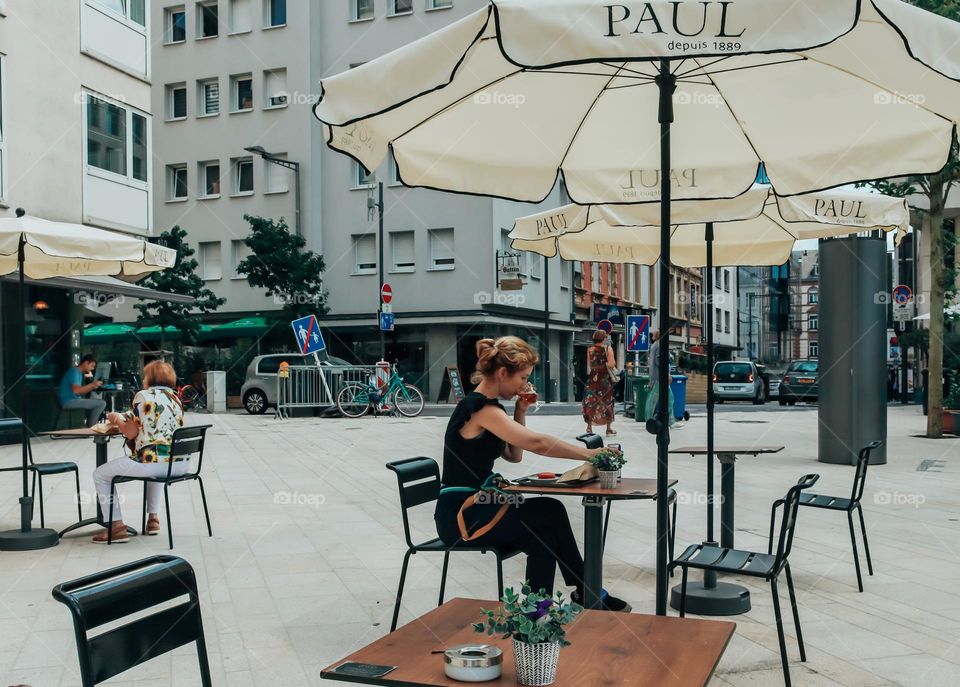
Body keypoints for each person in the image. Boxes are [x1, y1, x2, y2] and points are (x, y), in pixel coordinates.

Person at [435, 336, 631, 612]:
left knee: (543, 536)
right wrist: (590, 454)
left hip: (478, 508)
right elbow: (536, 443)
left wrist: (520, 410)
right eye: (522, 377)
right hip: (461, 516)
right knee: (549, 511)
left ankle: (537, 611)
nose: (524, 385)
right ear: (503, 373)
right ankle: (587, 591)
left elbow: (514, 456)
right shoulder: (479, 409)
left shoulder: (491, 409)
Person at [91, 360, 185, 544]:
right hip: (179, 463)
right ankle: (153, 519)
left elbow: (130, 432)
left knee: (100, 474)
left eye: (145, 375)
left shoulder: (142, 395)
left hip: (153, 463)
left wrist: (117, 419)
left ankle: (116, 527)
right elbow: (148, 420)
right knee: (157, 464)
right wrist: (125, 416)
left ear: (150, 378)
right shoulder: (176, 398)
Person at [582, 330, 618, 436]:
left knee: (590, 402)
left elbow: (590, 365)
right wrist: (605, 363)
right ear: (603, 338)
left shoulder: (590, 350)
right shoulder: (607, 348)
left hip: (593, 379)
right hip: (604, 380)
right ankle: (608, 428)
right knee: (607, 402)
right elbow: (612, 364)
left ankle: (589, 427)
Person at [58, 354, 106, 428]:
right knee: (101, 403)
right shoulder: (74, 372)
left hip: (72, 400)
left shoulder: (78, 373)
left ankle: (90, 426)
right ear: (86, 363)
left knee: (97, 402)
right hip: (68, 401)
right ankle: (92, 428)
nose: (92, 369)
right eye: (92, 366)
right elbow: (76, 391)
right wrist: (92, 385)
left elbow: (81, 391)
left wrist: (93, 386)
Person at [645, 331, 678, 428]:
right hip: (660, 377)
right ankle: (668, 421)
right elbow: (660, 361)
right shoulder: (659, 346)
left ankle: (650, 419)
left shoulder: (654, 345)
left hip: (656, 376)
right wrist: (667, 374)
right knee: (661, 399)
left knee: (655, 399)